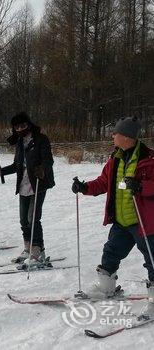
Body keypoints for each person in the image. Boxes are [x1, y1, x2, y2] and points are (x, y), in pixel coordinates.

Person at [72, 117, 154, 318]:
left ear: (126, 137)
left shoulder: (149, 159)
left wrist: (141, 187)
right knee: (111, 252)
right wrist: (85, 187)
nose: (112, 136)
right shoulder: (115, 158)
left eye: (115, 133)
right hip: (121, 220)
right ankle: (106, 287)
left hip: (143, 221)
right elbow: (102, 182)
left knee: (152, 259)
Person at [1, 112, 55, 266]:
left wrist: (42, 169)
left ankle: (38, 250)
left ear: (29, 125)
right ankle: (28, 248)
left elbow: (48, 160)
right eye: (17, 127)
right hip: (24, 185)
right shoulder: (19, 143)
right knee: (23, 219)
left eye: (23, 126)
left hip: (39, 183)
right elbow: (16, 165)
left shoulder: (40, 139)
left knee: (33, 218)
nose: (20, 129)